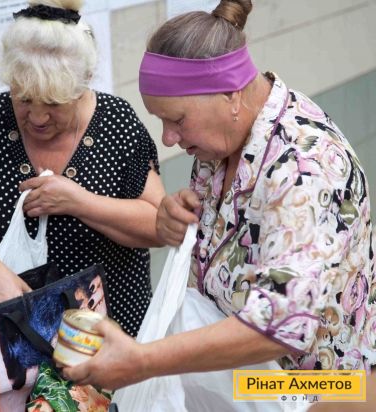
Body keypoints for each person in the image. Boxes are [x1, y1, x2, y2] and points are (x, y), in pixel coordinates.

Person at [64, 0, 375, 390]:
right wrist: (174, 220)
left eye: (177, 120)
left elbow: (279, 326)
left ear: (230, 94)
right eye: (161, 121)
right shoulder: (224, 144)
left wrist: (144, 361)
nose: (168, 138)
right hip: (249, 386)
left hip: (319, 393)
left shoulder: (304, 169)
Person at [0, 0, 165, 339]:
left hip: (113, 334)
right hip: (19, 337)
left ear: (82, 85)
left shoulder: (116, 123)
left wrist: (78, 202)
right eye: (23, 98)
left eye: (53, 102)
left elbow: (158, 225)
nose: (37, 117)